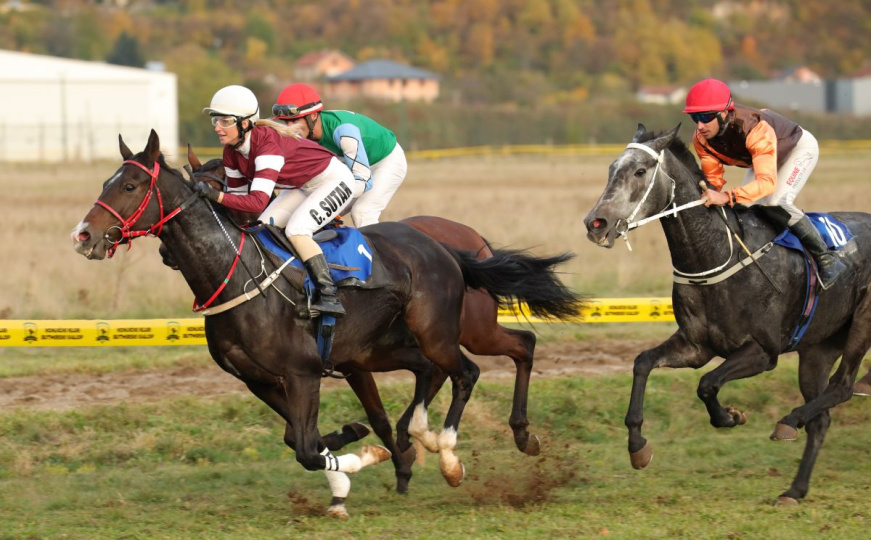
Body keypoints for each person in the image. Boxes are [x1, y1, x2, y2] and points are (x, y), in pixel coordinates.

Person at [199, 85, 366, 317]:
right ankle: (288, 285)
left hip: (335, 180)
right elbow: (239, 202)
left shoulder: (267, 144)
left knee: (297, 230)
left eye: (225, 121)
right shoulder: (231, 152)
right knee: (263, 228)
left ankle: (329, 295)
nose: (218, 127)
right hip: (303, 185)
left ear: (245, 123)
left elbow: (256, 202)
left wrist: (215, 195)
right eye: (215, 121)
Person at [687, 78, 847, 289]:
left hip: (798, 149)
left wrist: (727, 197)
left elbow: (767, 183)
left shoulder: (754, 129)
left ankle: (826, 259)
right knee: (747, 207)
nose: (700, 125)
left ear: (724, 113)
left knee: (775, 202)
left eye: (706, 117)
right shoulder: (701, 139)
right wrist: (712, 194)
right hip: (764, 157)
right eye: (694, 117)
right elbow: (714, 179)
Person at [271, 83, 407, 227]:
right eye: (286, 122)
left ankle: (378, 249)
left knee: (362, 212)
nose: (290, 128)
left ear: (313, 116)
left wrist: (327, 200)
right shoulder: (306, 134)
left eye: (295, 120)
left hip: (386, 161)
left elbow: (364, 181)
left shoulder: (344, 131)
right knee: (314, 216)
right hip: (352, 164)